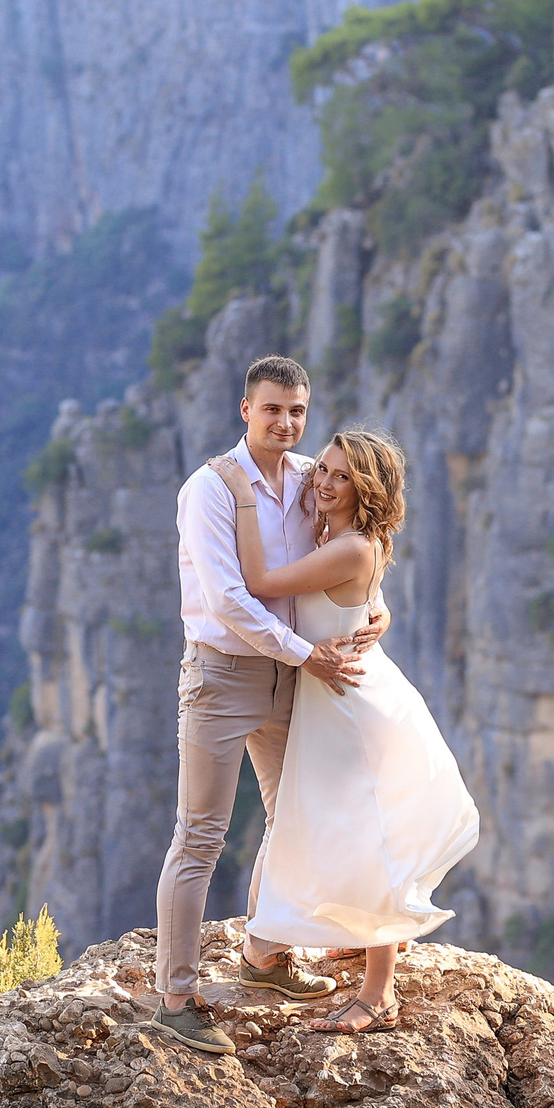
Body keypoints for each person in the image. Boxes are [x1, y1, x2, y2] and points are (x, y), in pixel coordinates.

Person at [152, 355, 387, 1056]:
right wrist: (305, 652)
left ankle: (264, 953)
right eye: (273, 409)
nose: (286, 422)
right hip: (223, 676)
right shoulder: (210, 489)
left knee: (295, 820)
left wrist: (377, 608)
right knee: (200, 834)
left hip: (295, 677)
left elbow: (355, 544)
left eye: (297, 410)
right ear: (245, 410)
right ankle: (175, 999)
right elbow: (229, 597)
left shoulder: (314, 476)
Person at [207, 428, 478, 1034]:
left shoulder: (351, 546)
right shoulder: (348, 538)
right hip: (341, 695)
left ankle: (378, 993)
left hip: (353, 705)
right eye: (323, 471)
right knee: (345, 828)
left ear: (367, 488)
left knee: (367, 838)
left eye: (343, 476)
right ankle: (358, 939)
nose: (325, 483)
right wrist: (380, 613)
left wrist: (240, 494)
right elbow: (367, 602)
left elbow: (258, 581)